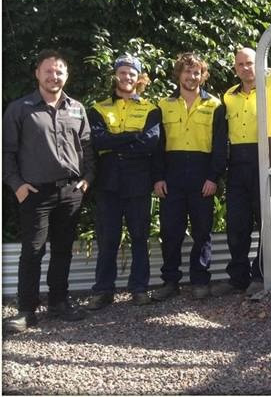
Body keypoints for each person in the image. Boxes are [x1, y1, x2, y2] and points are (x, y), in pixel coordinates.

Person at [2, 49, 96, 333]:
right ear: (37, 74)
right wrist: (17, 185)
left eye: (59, 71)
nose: (54, 76)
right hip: (34, 193)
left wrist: (87, 179)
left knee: (63, 250)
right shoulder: (20, 109)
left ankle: (58, 303)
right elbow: (6, 151)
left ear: (66, 75)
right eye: (48, 71)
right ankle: (26, 311)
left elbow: (87, 147)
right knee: (32, 251)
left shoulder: (76, 108)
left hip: (70, 192)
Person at [84, 55, 160, 310]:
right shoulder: (98, 108)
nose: (127, 77)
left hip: (138, 181)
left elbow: (150, 142)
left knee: (139, 237)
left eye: (132, 73)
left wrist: (116, 141)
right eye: (123, 72)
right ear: (115, 75)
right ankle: (103, 291)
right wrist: (132, 136)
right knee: (108, 239)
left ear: (139, 78)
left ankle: (139, 289)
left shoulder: (151, 109)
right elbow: (98, 141)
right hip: (108, 181)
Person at [151, 52, 226, 301]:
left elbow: (220, 146)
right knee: (170, 231)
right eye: (187, 72)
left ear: (202, 76)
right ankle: (170, 281)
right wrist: (158, 177)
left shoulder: (214, 105)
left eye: (196, 72)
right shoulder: (163, 105)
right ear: (179, 74)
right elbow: (157, 145)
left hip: (202, 176)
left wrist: (213, 177)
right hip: (171, 176)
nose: (192, 77)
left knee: (202, 231)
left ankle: (200, 280)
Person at [210, 47, 271, 297]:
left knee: (266, 222)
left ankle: (261, 276)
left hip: (267, 160)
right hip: (238, 164)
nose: (245, 68)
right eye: (240, 64)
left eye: (249, 63)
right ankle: (238, 278)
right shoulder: (228, 96)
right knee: (237, 224)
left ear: (259, 63)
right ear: (235, 68)